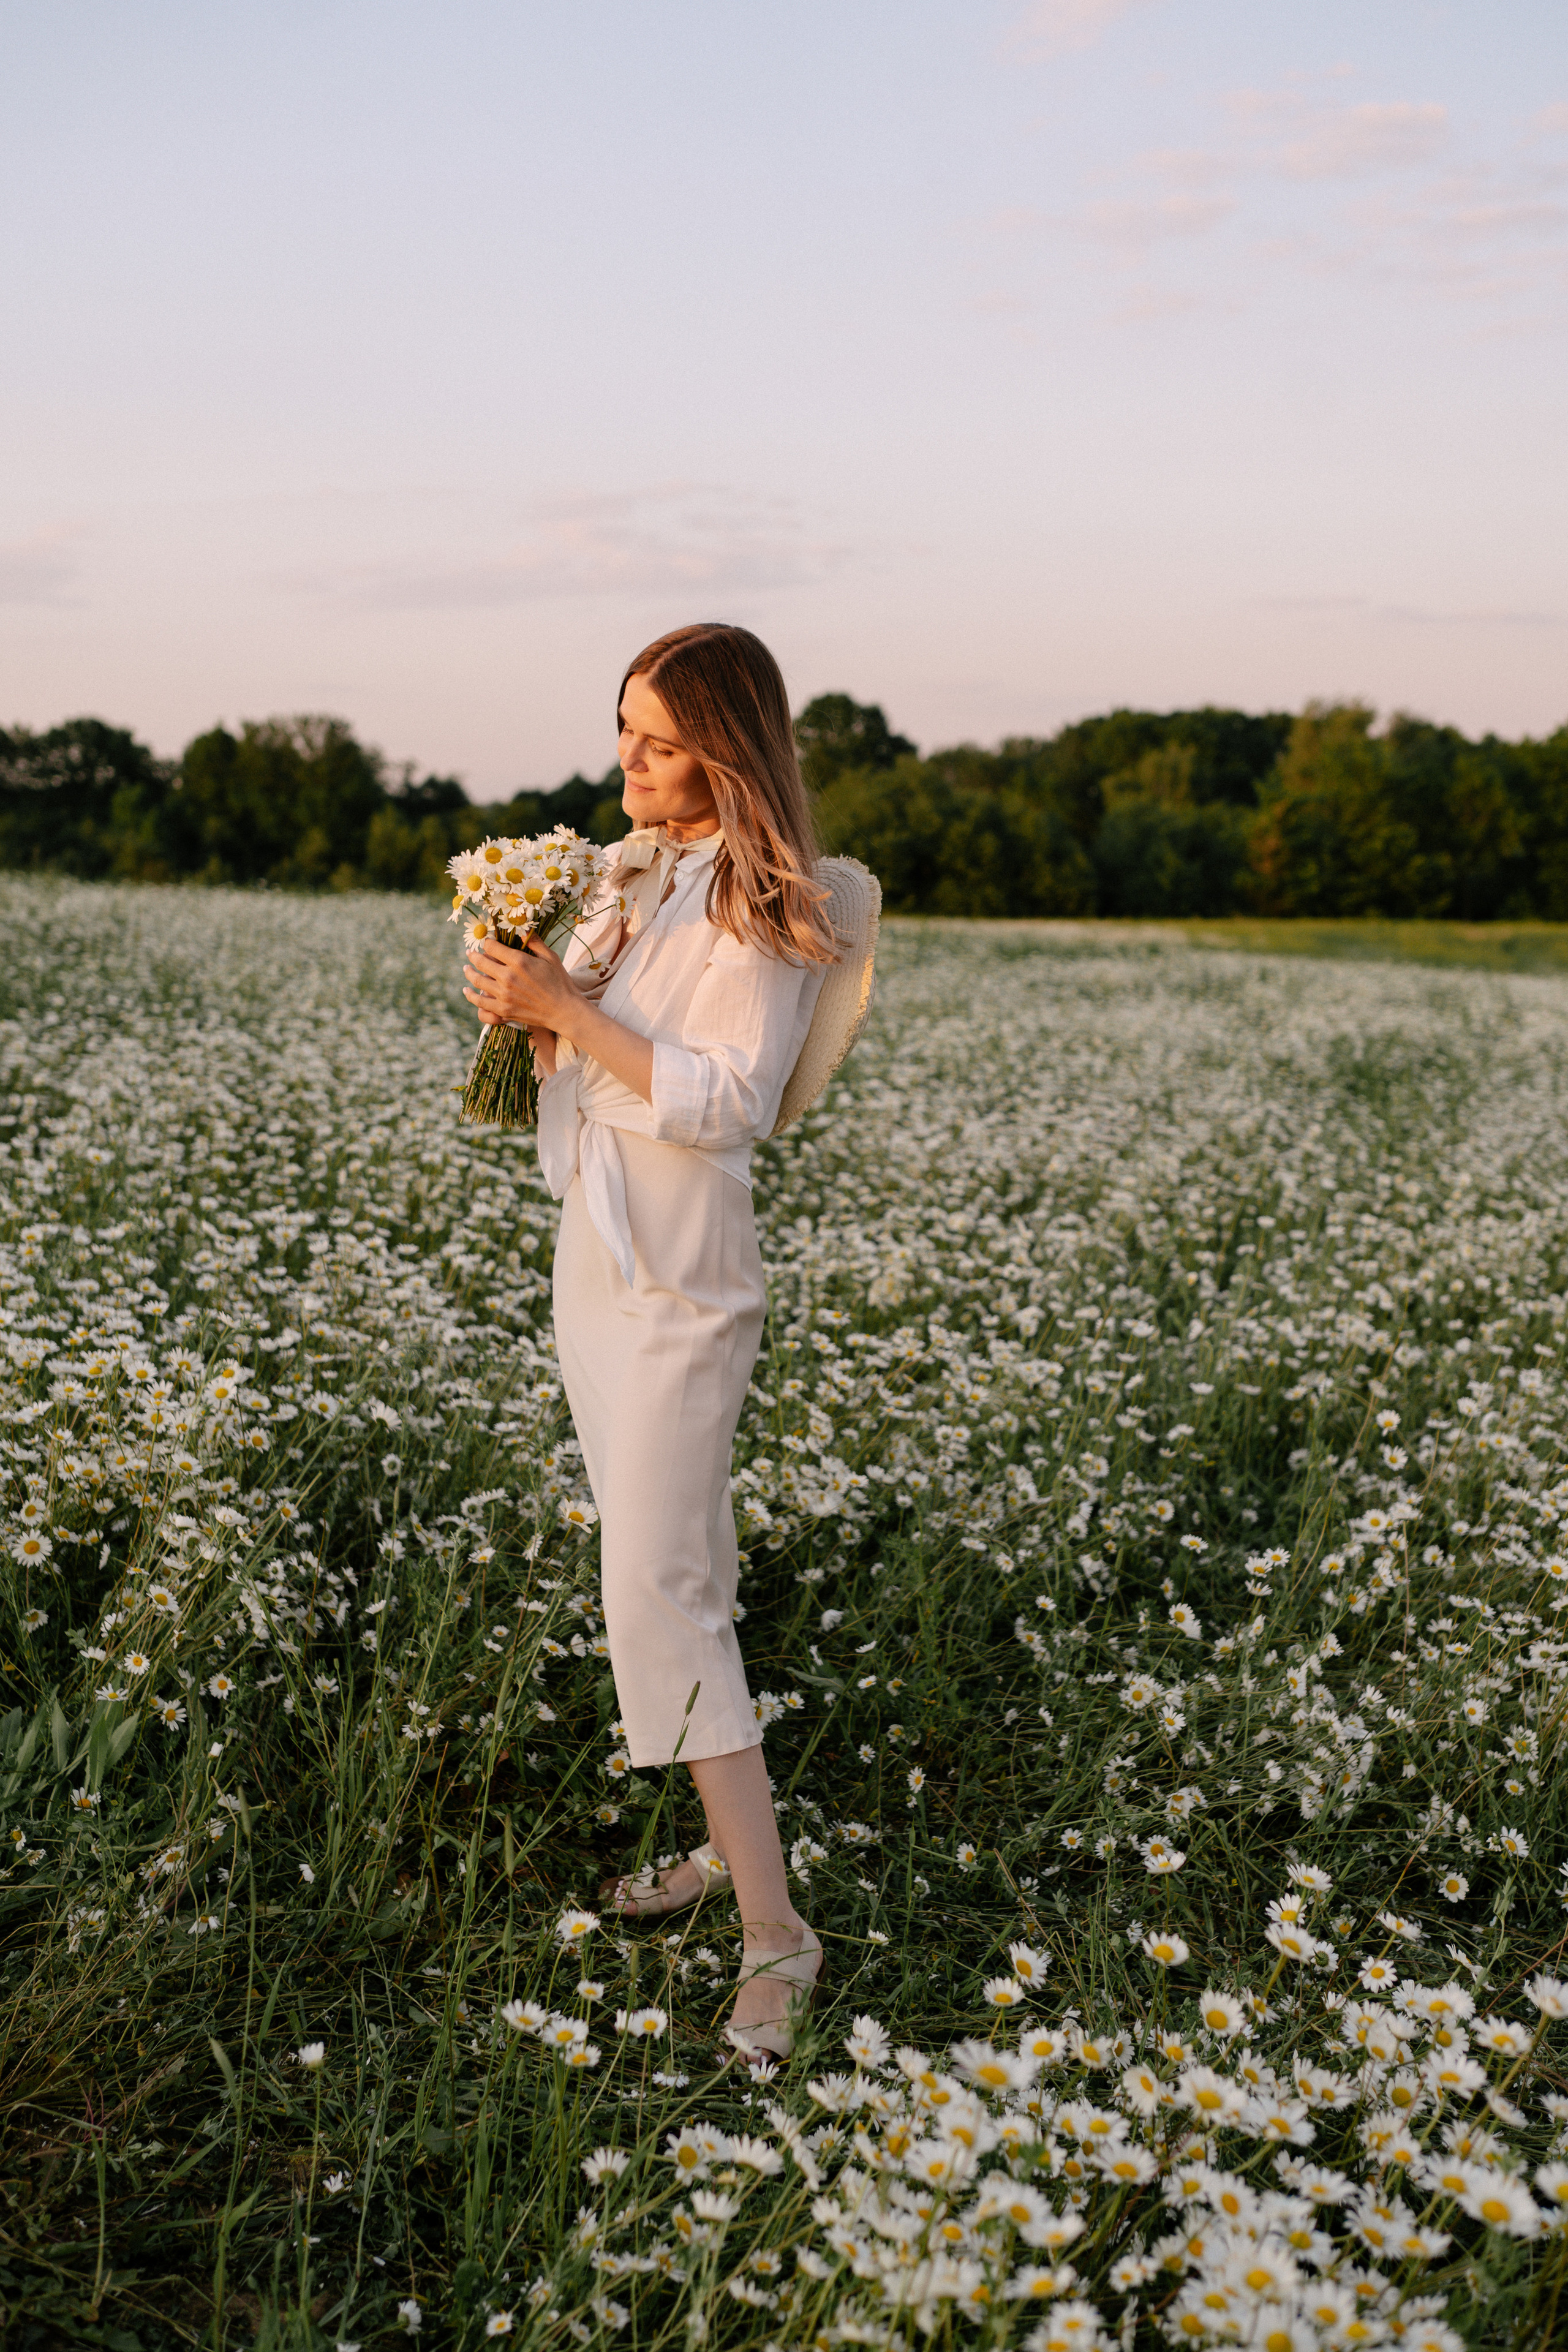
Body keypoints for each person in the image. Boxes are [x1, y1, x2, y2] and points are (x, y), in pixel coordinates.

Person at [462, 622, 837, 2060]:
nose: (627, 759)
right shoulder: (629, 876)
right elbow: (599, 1061)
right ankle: (717, 1858)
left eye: (662, 740)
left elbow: (724, 1099)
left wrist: (565, 1006)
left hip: (680, 1279)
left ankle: (774, 1935)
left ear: (728, 748)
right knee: (677, 1571)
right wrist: (533, 1012)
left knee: (654, 1590)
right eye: (623, 727)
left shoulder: (771, 906)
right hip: (595, 1262)